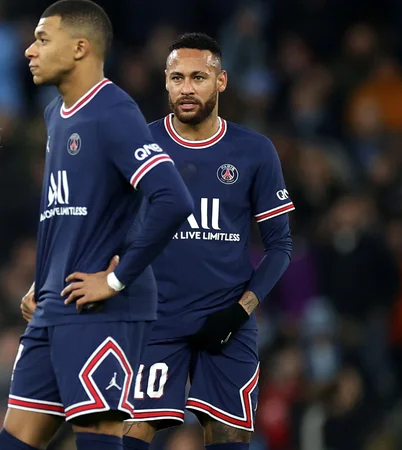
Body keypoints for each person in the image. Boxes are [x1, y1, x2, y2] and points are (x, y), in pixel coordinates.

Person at [1, 1, 194, 449]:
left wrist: (116, 278)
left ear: (80, 48)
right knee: (14, 441)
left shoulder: (112, 110)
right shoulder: (55, 114)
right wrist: (43, 281)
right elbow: (70, 212)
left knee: (97, 438)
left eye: (43, 39)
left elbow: (172, 199)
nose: (30, 50)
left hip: (102, 309)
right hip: (57, 303)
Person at [121, 32, 294, 450]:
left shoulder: (254, 151)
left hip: (227, 320)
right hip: (156, 317)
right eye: (177, 77)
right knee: (131, 431)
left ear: (221, 81)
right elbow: (103, 229)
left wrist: (239, 312)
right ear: (164, 81)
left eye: (198, 77)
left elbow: (279, 247)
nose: (186, 88)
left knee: (230, 435)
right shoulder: (140, 146)